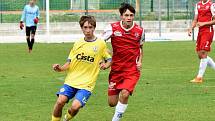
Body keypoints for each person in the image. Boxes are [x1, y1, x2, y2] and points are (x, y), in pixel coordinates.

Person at [51, 15, 112, 121]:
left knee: (75, 107)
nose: (88, 30)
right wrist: (60, 68)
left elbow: (109, 59)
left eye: (90, 27)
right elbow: (69, 62)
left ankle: (67, 118)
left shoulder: (101, 44)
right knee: (60, 101)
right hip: (71, 81)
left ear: (94, 28)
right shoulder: (78, 43)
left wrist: (106, 65)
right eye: (85, 27)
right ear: (81, 28)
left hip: (87, 85)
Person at [102, 3, 145, 121]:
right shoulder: (112, 28)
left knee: (125, 93)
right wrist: (107, 57)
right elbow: (100, 44)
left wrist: (140, 61)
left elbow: (141, 48)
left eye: (131, 15)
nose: (129, 18)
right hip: (116, 69)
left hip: (132, 69)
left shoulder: (140, 31)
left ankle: (115, 119)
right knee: (112, 103)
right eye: (126, 15)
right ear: (121, 16)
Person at [188, 0, 215, 83]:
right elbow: (195, 19)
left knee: (203, 53)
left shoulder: (212, 5)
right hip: (200, 32)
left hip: (208, 31)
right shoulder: (198, 5)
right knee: (200, 55)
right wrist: (191, 28)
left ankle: (199, 77)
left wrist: (204, 23)